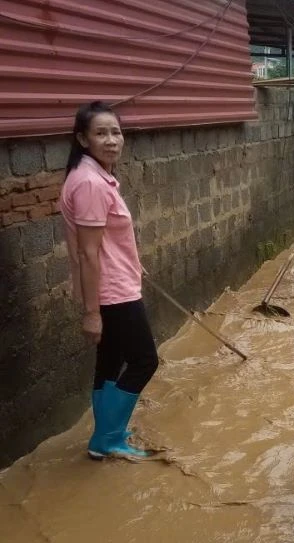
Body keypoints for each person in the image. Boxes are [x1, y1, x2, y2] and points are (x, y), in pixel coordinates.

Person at [59, 101, 159, 460]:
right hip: (113, 293)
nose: (111, 140)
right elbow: (87, 253)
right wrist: (91, 313)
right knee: (145, 361)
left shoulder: (91, 176)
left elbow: (105, 242)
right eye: (100, 133)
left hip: (114, 284)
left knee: (110, 362)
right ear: (83, 139)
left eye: (116, 132)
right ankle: (108, 438)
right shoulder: (89, 183)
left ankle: (106, 435)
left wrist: (134, 263)